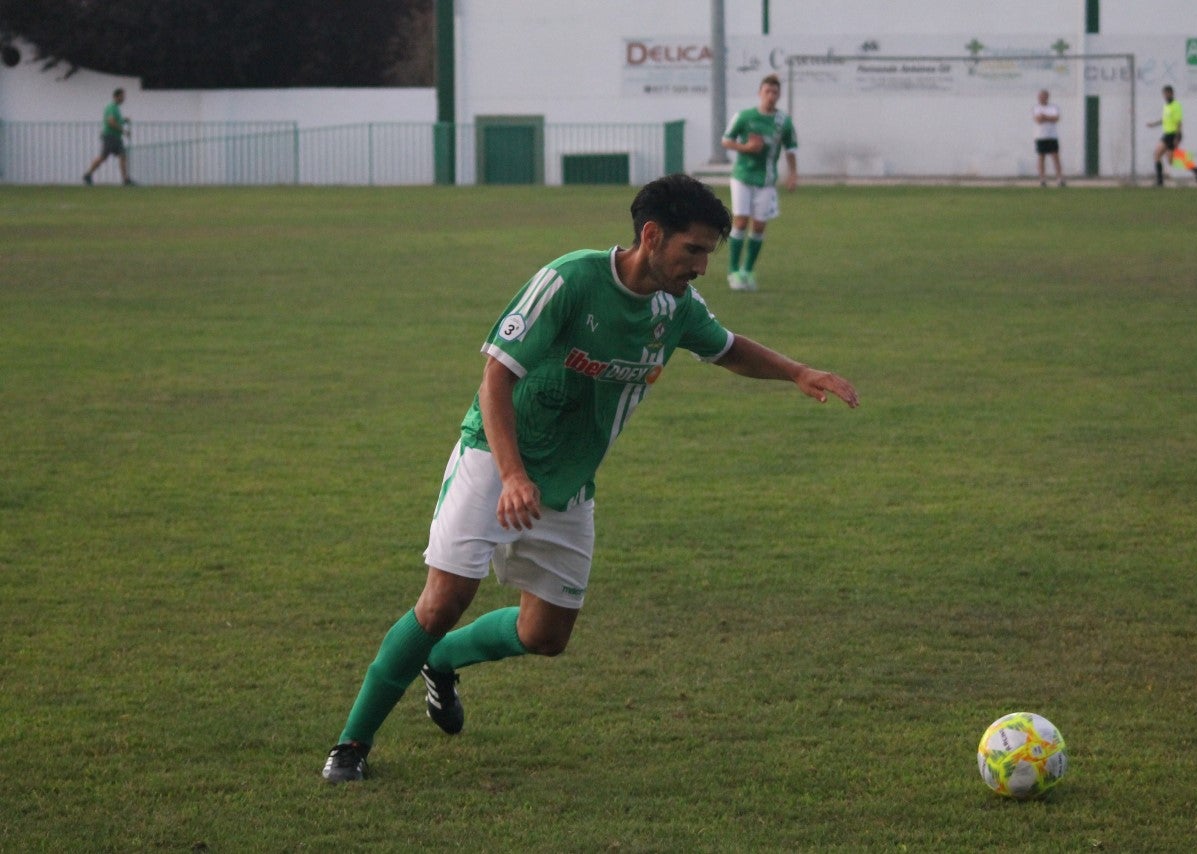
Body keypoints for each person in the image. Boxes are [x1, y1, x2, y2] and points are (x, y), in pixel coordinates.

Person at [321, 173, 859, 783]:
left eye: (710, 252)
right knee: (444, 599)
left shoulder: (674, 308)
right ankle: (351, 746)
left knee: (545, 635)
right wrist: (513, 475)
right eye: (695, 249)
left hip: (571, 481)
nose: (704, 266)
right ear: (652, 236)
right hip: (494, 459)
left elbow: (727, 347)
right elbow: (496, 378)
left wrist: (797, 373)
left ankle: (440, 660)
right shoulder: (570, 281)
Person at [720, 74, 798, 292]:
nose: (771, 96)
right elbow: (726, 140)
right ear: (760, 93)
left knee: (760, 226)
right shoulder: (744, 117)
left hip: (766, 180)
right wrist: (746, 148)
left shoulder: (783, 121)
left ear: (779, 95)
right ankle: (733, 271)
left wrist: (792, 174)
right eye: (767, 92)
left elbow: (791, 149)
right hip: (743, 177)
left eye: (775, 92)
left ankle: (747, 271)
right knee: (741, 222)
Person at [1146, 85, 1197, 186]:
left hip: (1172, 134)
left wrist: (1177, 137)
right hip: (1167, 133)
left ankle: (1160, 181)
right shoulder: (1166, 106)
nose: (1165, 96)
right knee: (1171, 160)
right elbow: (1164, 120)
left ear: (1171, 93)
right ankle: (1196, 169)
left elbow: (1179, 122)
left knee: (1157, 154)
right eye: (1164, 94)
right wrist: (1153, 124)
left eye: (1167, 93)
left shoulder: (1176, 105)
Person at [83, 88, 134, 186]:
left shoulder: (116, 108)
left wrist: (124, 120)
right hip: (110, 136)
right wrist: (124, 131)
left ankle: (125, 180)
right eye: (122, 96)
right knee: (103, 157)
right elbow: (111, 122)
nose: (124, 99)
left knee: (122, 156)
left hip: (115, 137)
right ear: (117, 96)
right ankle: (88, 174)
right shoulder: (111, 107)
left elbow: (116, 120)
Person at [1033, 90, 1065, 187]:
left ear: (1047, 97)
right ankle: (1042, 179)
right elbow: (1038, 120)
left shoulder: (1053, 108)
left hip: (1052, 136)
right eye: (1040, 96)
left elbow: (1056, 119)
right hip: (1041, 136)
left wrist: (1045, 117)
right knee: (1041, 157)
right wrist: (1048, 118)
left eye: (1043, 96)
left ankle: (1059, 178)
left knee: (1055, 157)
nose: (1041, 98)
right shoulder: (1036, 108)